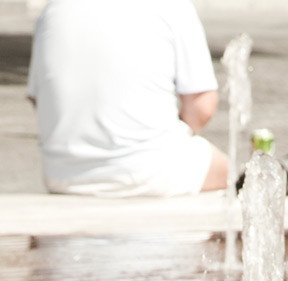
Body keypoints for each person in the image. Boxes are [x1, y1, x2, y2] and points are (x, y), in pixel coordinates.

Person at [26, 0, 227, 198]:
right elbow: (203, 107)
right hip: (147, 173)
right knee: (234, 172)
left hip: (61, 174)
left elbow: (38, 99)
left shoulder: (53, 9)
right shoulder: (172, 6)